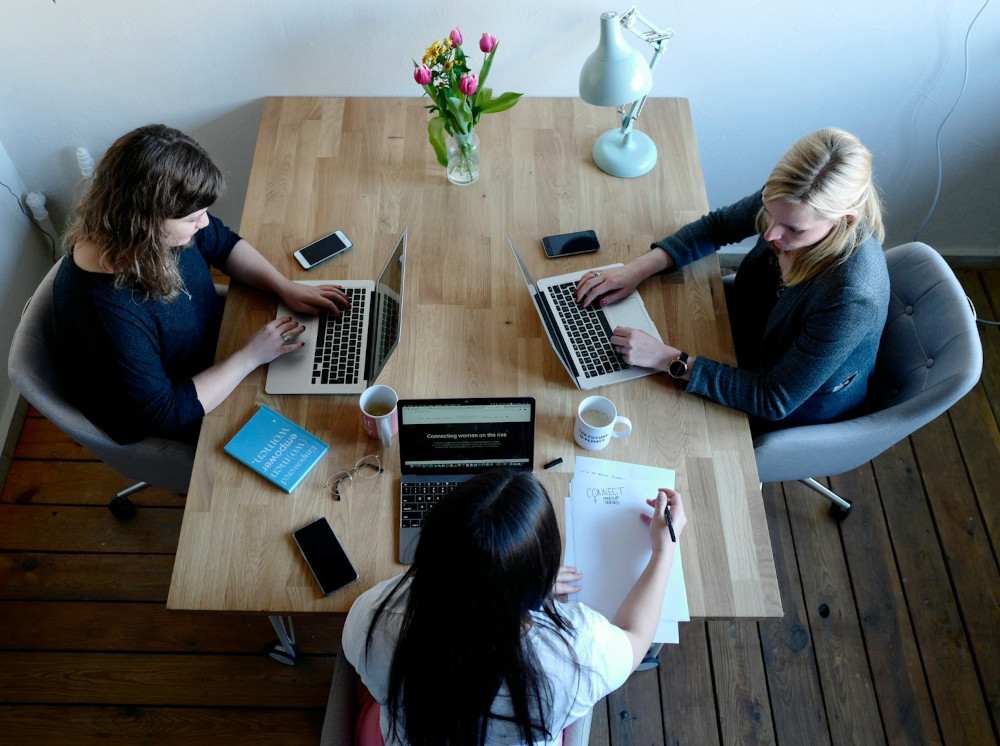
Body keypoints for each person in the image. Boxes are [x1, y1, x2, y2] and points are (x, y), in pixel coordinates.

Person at [341, 468, 686, 745]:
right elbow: (635, 637)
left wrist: (507, 582)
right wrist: (663, 549)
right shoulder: (578, 652)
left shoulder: (372, 615)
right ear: (542, 573)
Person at [576, 127, 889, 432]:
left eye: (793, 230)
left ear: (845, 220)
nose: (770, 234)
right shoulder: (789, 199)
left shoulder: (851, 297)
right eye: (768, 212)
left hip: (785, 404)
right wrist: (637, 269)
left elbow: (773, 399)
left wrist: (666, 358)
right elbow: (718, 227)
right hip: (740, 335)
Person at [51, 124, 349, 444]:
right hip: (184, 404)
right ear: (145, 223)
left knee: (325, 380)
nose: (204, 223)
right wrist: (250, 357)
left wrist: (282, 285)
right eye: (193, 219)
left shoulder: (144, 235)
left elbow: (221, 243)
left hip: (218, 345)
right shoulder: (106, 314)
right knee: (318, 423)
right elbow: (164, 412)